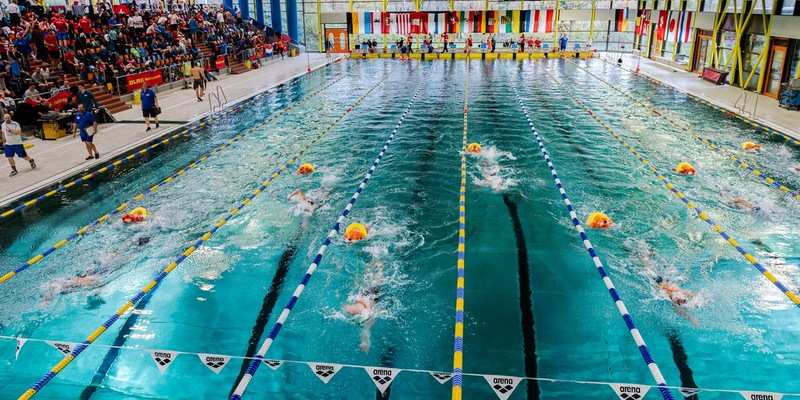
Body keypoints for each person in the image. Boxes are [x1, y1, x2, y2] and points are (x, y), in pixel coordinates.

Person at [343, 262, 383, 353]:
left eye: (350, 309)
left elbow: (366, 329)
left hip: (365, 296)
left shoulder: (360, 308)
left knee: (366, 280)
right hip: (372, 297)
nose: (349, 310)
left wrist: (364, 342)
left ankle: (374, 266)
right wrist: (364, 342)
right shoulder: (365, 314)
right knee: (376, 282)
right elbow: (366, 329)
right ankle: (379, 268)